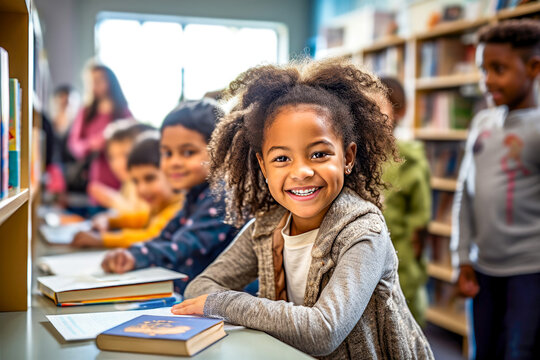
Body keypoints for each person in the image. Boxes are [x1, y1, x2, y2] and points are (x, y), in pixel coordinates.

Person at [172, 60, 433, 359]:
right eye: (282, 159)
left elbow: (323, 331)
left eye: (319, 154)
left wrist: (226, 304)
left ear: (347, 157)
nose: (302, 172)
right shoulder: (267, 227)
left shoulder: (363, 232)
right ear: (263, 166)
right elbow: (198, 290)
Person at [451, 20, 540, 360]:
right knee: (482, 350)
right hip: (483, 267)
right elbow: (464, 191)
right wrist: (461, 256)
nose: (487, 80)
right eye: (483, 69)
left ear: (533, 67)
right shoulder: (481, 122)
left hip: (530, 272)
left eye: (498, 69)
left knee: (521, 351)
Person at [101, 99, 238, 295]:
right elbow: (165, 236)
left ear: (222, 151)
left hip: (218, 308)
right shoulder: (195, 194)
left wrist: (135, 256)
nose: (174, 162)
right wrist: (129, 253)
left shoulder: (222, 196)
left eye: (188, 152)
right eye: (167, 153)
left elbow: (180, 247)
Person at [380, 76, 431, 327]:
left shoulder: (410, 159)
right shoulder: (348, 155)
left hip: (402, 265)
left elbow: (419, 222)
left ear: (399, 112)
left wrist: (411, 273)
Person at [72, 132, 182, 248]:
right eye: (136, 181)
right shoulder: (162, 205)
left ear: (172, 173)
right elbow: (140, 218)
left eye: (149, 178)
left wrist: (102, 239)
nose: (141, 189)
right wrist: (109, 220)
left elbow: (151, 236)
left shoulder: (179, 208)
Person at [67, 63, 131, 205]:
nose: (95, 85)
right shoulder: (86, 112)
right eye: (92, 81)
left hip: (121, 177)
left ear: (110, 81)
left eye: (100, 79)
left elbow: (134, 139)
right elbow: (74, 145)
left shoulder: (122, 110)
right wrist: (94, 143)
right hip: (95, 178)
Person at [88, 119, 153, 215]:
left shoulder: (146, 185)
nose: (118, 164)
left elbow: (144, 218)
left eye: (125, 155)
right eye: (112, 157)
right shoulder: (127, 184)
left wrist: (112, 200)